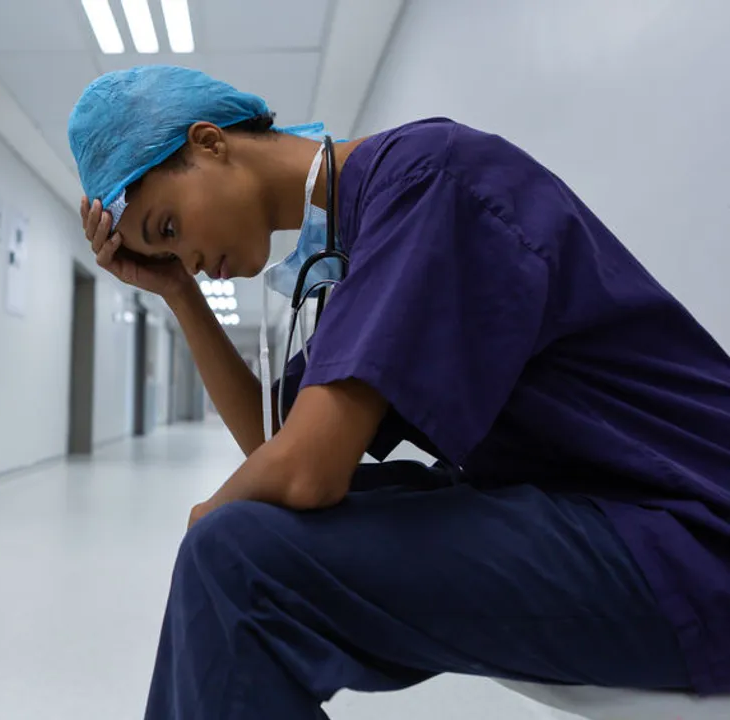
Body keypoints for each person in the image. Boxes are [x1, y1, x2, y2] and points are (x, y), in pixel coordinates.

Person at [67, 65, 730, 718]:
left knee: (235, 557)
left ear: (208, 143)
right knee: (252, 534)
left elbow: (304, 473)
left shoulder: (426, 180)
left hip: (686, 541)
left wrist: (202, 514)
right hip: (601, 513)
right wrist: (180, 295)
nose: (184, 258)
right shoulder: (365, 229)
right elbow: (274, 446)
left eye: (168, 230)